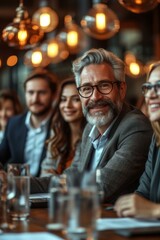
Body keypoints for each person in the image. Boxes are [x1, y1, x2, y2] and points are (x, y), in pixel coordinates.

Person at [30, 48, 152, 203]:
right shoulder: (90, 127)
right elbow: (69, 178)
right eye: (87, 88)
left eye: (104, 85)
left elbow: (104, 186)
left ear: (121, 89)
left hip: (116, 223)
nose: (95, 97)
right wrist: (15, 182)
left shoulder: (135, 127)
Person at [114, 61, 160, 218]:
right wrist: (130, 204)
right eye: (148, 88)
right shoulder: (157, 140)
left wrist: (154, 210)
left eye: (159, 87)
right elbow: (143, 194)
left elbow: (148, 206)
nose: (150, 95)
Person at [0, 68, 59, 177]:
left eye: (42, 93)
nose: (35, 99)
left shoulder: (61, 125)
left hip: (46, 190)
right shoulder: (13, 123)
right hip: (17, 190)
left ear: (54, 95)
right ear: (25, 94)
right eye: (31, 92)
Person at [40, 77, 86, 176]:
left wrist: (55, 177)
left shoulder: (92, 135)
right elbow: (44, 172)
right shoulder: (57, 131)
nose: (67, 105)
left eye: (76, 99)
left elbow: (77, 176)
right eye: (63, 99)